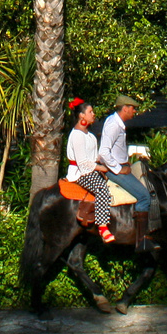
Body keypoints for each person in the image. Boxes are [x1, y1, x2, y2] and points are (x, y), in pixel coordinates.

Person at [99, 95, 154, 251]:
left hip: (122, 166)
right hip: (115, 171)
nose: (134, 111)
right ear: (125, 108)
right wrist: (119, 168)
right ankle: (141, 240)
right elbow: (103, 152)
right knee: (144, 195)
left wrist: (125, 161)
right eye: (133, 108)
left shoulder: (116, 122)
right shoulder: (114, 125)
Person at [65, 98, 117, 243]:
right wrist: (101, 168)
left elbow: (95, 157)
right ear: (81, 115)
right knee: (101, 189)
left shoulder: (90, 136)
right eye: (90, 112)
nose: (93, 114)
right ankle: (102, 227)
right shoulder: (77, 135)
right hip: (80, 173)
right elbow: (83, 163)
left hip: (91, 169)